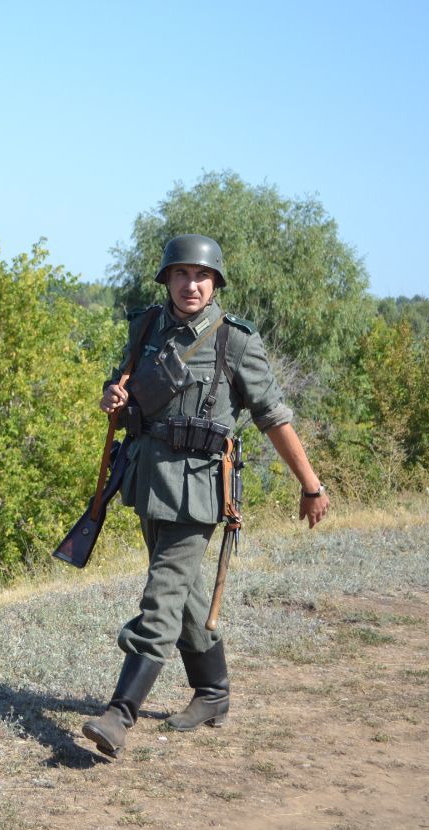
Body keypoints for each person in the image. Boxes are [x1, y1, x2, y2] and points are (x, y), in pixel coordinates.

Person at [81, 234, 330, 758]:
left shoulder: (234, 341)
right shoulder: (145, 326)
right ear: (167, 280)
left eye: (201, 276)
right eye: (181, 274)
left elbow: (273, 418)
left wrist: (310, 484)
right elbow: (120, 382)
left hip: (198, 492)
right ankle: (213, 693)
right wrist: (113, 395)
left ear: (215, 282)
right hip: (148, 480)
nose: (191, 285)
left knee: (161, 598)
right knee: (188, 595)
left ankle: (118, 714)